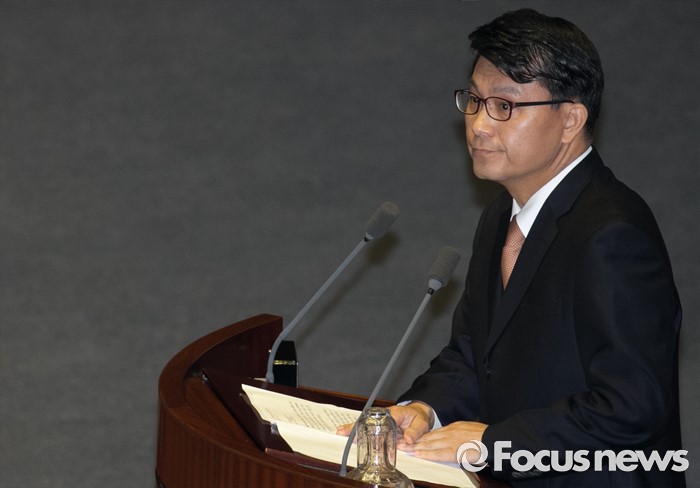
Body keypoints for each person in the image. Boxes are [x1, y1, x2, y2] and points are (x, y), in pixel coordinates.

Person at [338, 8, 684, 488]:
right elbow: (475, 356)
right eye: (474, 101)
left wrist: (495, 443)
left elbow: (633, 404)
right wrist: (424, 409)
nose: (479, 125)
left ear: (570, 119)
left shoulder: (612, 234)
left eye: (504, 106)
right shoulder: (502, 216)